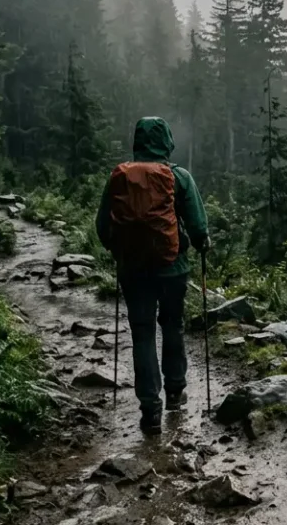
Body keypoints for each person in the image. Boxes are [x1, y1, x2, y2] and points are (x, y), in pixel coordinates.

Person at [96, 117, 209, 434]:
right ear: (167, 141)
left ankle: (150, 411)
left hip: (133, 270)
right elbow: (198, 227)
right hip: (173, 268)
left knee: (142, 334)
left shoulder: (120, 177)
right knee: (172, 325)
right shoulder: (179, 177)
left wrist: (118, 250)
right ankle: (175, 392)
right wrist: (201, 243)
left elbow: (103, 227)